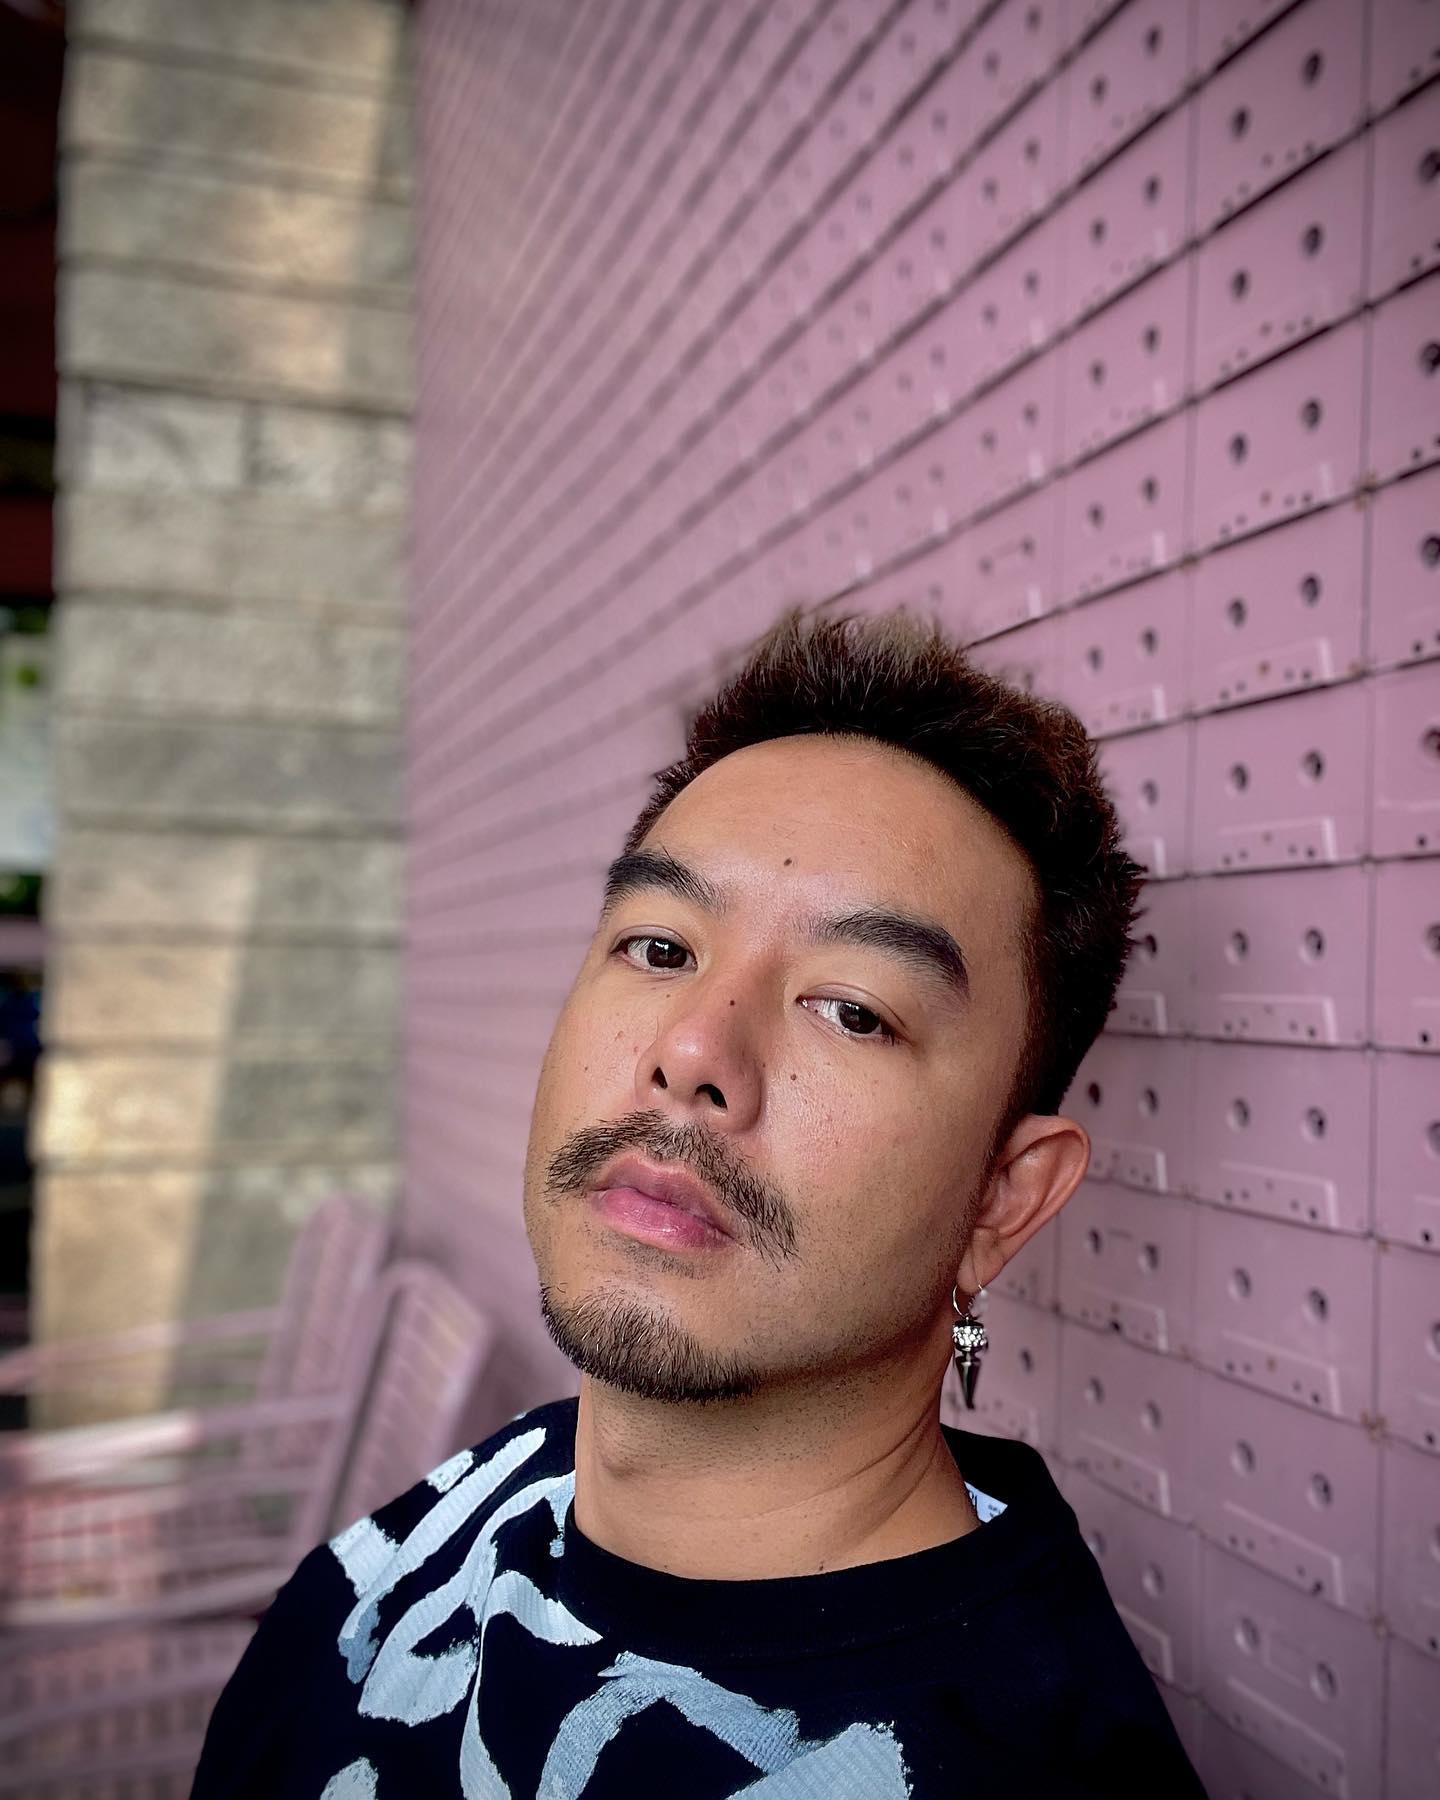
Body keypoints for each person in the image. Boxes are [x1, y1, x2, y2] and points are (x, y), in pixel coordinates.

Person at [192, 605, 1207, 1798]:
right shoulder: (463, 1517)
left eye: (854, 1009)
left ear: (1001, 1201)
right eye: (661, 948)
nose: (692, 1052)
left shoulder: (1006, 1759)